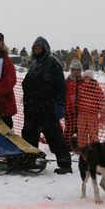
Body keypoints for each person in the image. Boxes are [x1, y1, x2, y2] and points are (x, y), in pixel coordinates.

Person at [22, 36, 72, 174]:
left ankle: (65, 164)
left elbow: (60, 87)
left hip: (47, 108)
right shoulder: (34, 64)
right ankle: (30, 161)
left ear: (45, 49)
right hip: (32, 109)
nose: (37, 50)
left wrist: (60, 104)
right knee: (29, 136)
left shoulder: (53, 63)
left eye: (40, 48)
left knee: (54, 137)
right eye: (35, 48)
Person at [76, 70, 105, 147]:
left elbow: (102, 102)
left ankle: (95, 149)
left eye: (88, 78)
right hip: (81, 114)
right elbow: (77, 100)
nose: (86, 79)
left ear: (91, 79)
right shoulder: (80, 87)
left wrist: (103, 114)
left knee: (93, 134)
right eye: (85, 78)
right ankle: (82, 150)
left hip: (93, 115)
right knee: (82, 134)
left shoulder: (96, 89)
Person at [63, 59, 83, 150]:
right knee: (69, 128)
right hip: (69, 109)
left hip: (80, 109)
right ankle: (67, 145)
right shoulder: (68, 81)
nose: (75, 71)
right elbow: (63, 93)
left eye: (77, 69)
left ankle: (78, 146)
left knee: (79, 128)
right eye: (74, 69)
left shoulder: (82, 80)